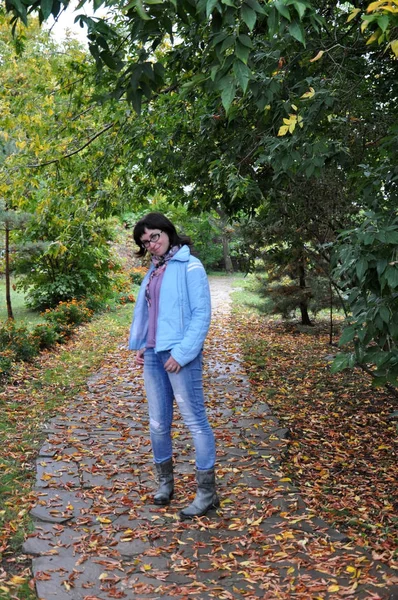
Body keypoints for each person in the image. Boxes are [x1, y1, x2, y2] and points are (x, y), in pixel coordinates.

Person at [128, 212, 219, 519]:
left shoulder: (190, 267)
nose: (151, 244)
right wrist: (142, 345)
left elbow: (201, 315)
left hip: (180, 356)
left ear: (167, 232)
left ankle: (207, 494)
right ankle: (165, 484)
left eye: (154, 236)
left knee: (195, 422)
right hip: (154, 355)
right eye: (145, 241)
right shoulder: (155, 270)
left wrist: (181, 354)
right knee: (157, 423)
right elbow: (152, 314)